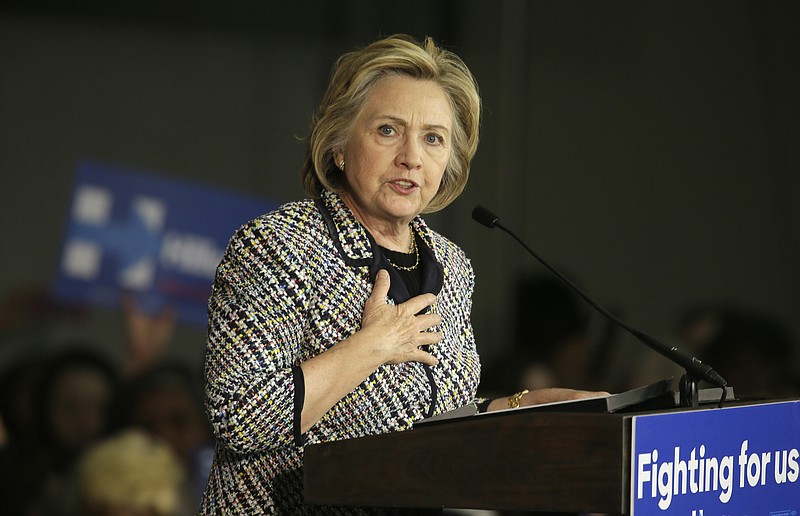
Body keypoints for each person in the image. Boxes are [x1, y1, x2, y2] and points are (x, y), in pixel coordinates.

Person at [200, 34, 606, 514]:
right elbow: (239, 416)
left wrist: (515, 409)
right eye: (389, 131)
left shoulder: (450, 266)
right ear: (339, 147)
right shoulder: (279, 245)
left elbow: (430, 424)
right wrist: (368, 349)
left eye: (433, 138)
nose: (412, 156)